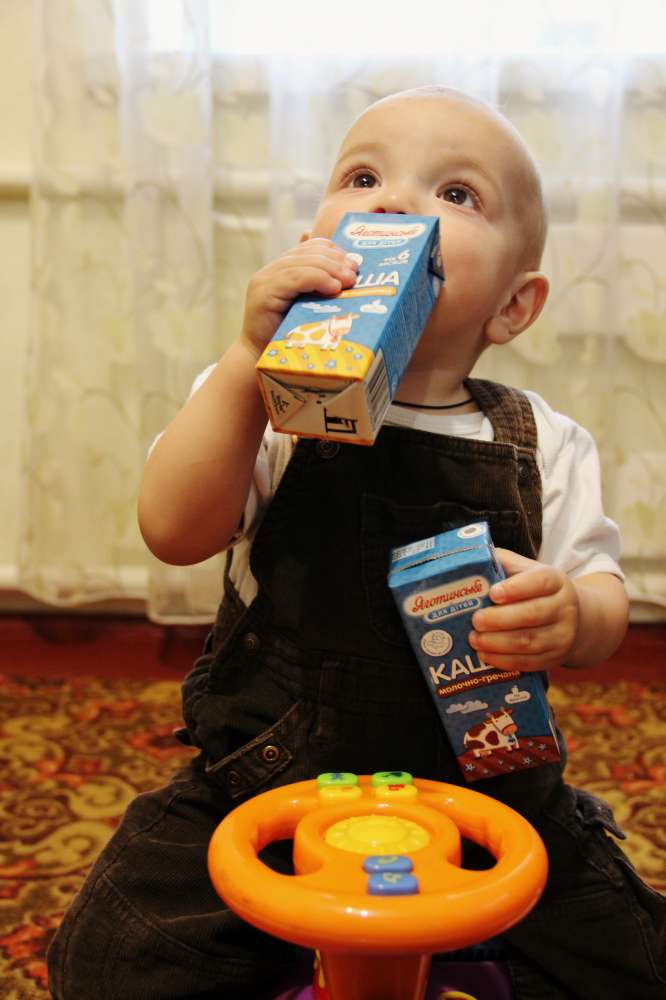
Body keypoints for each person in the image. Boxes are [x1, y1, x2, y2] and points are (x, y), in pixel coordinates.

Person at [47, 86, 665, 1000]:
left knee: (631, 960)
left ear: (513, 307)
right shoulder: (266, 402)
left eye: (456, 194)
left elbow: (604, 596)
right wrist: (244, 363)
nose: (395, 203)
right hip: (268, 779)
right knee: (110, 955)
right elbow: (174, 532)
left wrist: (572, 616)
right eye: (363, 178)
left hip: (488, 788)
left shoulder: (544, 440)